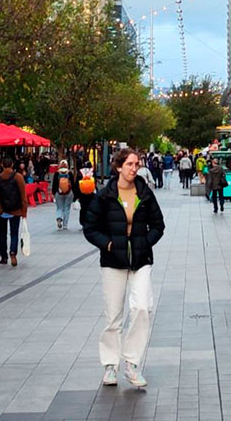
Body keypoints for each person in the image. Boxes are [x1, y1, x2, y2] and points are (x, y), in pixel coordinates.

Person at [83, 147, 165, 389]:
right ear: (118, 166)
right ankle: (110, 364)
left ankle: (131, 362)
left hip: (140, 260)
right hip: (113, 260)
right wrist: (108, 244)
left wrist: (144, 243)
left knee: (142, 307)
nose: (133, 168)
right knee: (113, 316)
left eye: (136, 164)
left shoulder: (144, 193)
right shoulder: (105, 195)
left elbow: (159, 225)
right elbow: (90, 228)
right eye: (129, 164)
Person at [0, 156, 28, 266]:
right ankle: (13, 252)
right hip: (16, 210)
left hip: (2, 211)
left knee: (2, 233)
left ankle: (3, 256)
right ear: (12, 165)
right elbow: (23, 196)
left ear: (2, 165)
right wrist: (24, 212)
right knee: (14, 233)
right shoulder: (18, 177)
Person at [51, 159, 75, 230]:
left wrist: (54, 193)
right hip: (69, 192)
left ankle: (59, 217)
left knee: (59, 207)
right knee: (67, 208)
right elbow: (73, 183)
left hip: (58, 192)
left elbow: (54, 184)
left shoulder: (57, 173)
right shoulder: (69, 173)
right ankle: (65, 225)